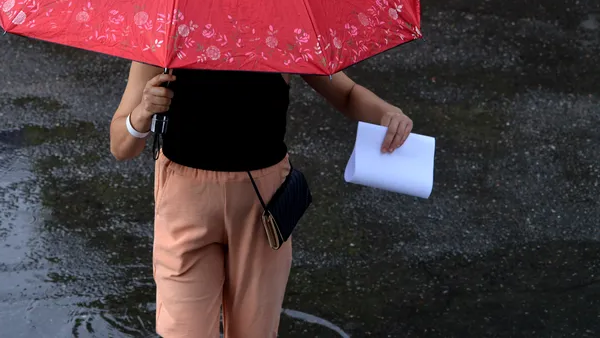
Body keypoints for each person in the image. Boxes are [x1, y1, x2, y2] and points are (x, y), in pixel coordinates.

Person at [109, 62, 413, 338]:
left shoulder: (281, 32)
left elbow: (346, 93)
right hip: (186, 202)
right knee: (184, 332)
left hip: (262, 206)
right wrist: (142, 113)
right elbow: (121, 147)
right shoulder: (168, 36)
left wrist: (387, 114)